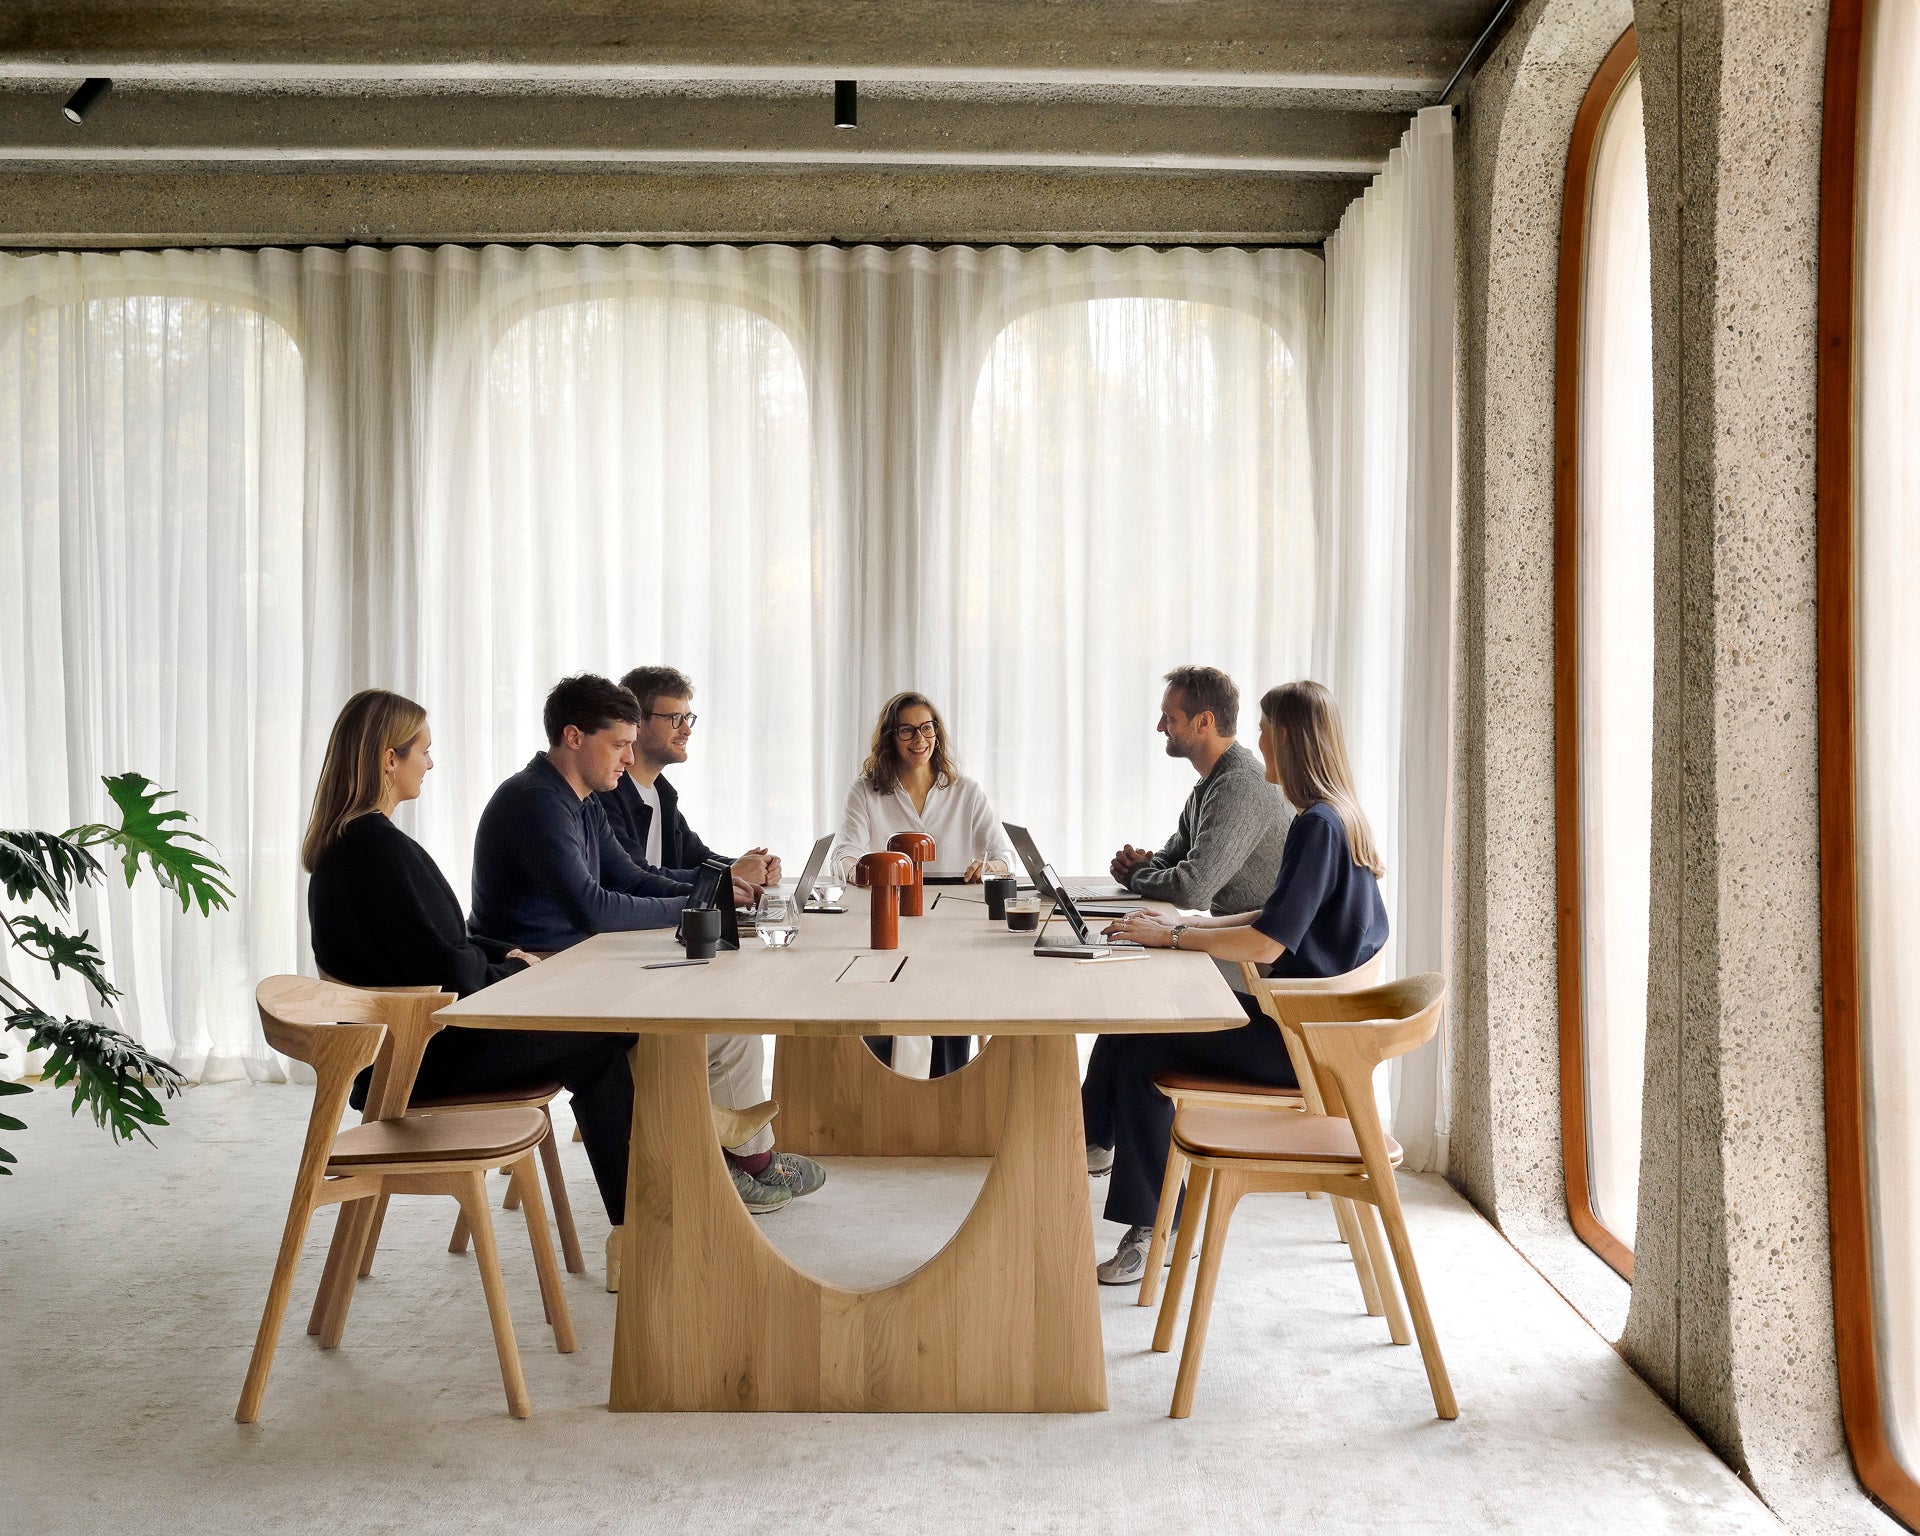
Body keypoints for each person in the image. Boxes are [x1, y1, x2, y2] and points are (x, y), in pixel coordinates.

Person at [468, 674, 824, 1253]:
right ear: (574, 737)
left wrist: (717, 889)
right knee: (696, 1020)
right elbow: (594, 906)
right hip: (538, 980)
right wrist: (699, 903)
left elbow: (633, 878)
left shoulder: (582, 801)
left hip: (582, 965)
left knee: (729, 1024)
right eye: (619, 745)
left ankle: (741, 1157)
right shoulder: (535, 801)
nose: (629, 759)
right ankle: (711, 1151)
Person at [303, 688, 637, 1266]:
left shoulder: (352, 846)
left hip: (397, 1050)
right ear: (389, 759)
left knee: (600, 1035)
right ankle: (645, 1228)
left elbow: (438, 943)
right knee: (606, 1036)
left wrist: (502, 952)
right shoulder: (381, 852)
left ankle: (644, 1219)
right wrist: (511, 968)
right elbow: (447, 969)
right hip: (419, 1058)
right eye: (423, 751)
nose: (431, 764)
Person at [1081, 680, 1389, 1286]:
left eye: (1266, 732)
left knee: (1142, 1046)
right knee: (1132, 1029)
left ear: (1288, 739)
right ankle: (1090, 1147)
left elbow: (1267, 943)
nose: (1258, 743)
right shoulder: (1336, 817)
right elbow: (1273, 915)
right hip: (1315, 1036)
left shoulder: (1317, 826)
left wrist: (1174, 937)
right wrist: (1188, 925)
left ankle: (1155, 1225)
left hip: (1300, 1046)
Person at [595, 663, 795, 1206]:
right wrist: (728, 877)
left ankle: (740, 1157)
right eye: (675, 718)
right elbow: (634, 878)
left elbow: (695, 859)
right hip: (622, 960)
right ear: (637, 722)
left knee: (739, 1014)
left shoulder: (661, 793)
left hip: (650, 943)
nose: (686, 728)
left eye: (690, 717)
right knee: (731, 1018)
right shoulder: (609, 796)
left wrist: (744, 867)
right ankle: (740, 1161)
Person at [827, 691, 1007, 1079]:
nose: (918, 739)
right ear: (891, 737)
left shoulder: (965, 791)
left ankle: (949, 1085)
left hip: (952, 924)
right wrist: (868, 869)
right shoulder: (867, 790)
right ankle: (885, 1088)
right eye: (906, 730)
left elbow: (1003, 858)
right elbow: (842, 857)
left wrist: (987, 866)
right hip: (887, 916)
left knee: (951, 995)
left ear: (937, 733)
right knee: (875, 998)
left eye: (926, 728)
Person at [1108, 666, 1291, 916]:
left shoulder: (1239, 784)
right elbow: (1172, 859)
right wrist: (1138, 866)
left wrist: (1136, 874)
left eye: (1169, 718)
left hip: (1257, 939)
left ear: (1204, 722)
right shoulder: (1214, 780)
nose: (1160, 727)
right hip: (1233, 933)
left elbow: (1192, 890)